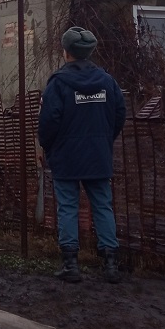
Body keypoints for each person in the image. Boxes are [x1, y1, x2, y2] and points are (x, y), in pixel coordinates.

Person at [38, 26, 126, 283]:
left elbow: (49, 121)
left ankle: (70, 265)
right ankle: (111, 265)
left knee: (67, 206)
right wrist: (104, 139)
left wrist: (48, 145)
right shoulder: (107, 81)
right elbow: (119, 113)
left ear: (66, 52)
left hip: (66, 155)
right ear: (89, 52)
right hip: (98, 155)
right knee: (102, 205)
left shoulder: (59, 83)